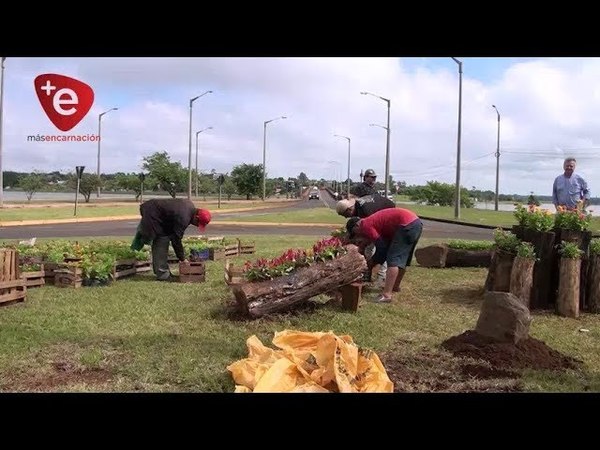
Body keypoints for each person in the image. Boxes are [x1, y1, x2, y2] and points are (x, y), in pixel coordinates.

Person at [346, 207, 422, 303]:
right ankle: (395, 286)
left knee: (393, 259)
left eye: (355, 233)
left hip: (405, 225)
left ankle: (386, 295)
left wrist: (372, 262)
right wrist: (376, 260)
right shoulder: (377, 224)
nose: (358, 236)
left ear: (357, 226)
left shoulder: (365, 225)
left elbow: (381, 247)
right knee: (403, 258)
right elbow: (384, 246)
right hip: (415, 223)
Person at [130, 198, 212, 281]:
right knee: (162, 240)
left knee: (165, 236)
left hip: (158, 213)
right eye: (198, 223)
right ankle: (162, 275)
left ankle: (162, 272)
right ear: (196, 217)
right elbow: (176, 240)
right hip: (152, 212)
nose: (197, 225)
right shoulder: (184, 217)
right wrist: (182, 258)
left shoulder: (189, 207)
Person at [335, 194, 396, 284]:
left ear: (349, 209)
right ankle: (367, 273)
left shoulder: (365, 210)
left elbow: (371, 229)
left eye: (344, 214)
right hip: (381, 217)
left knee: (383, 248)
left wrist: (364, 244)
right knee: (369, 248)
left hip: (390, 219)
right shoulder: (358, 206)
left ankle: (380, 277)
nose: (345, 217)